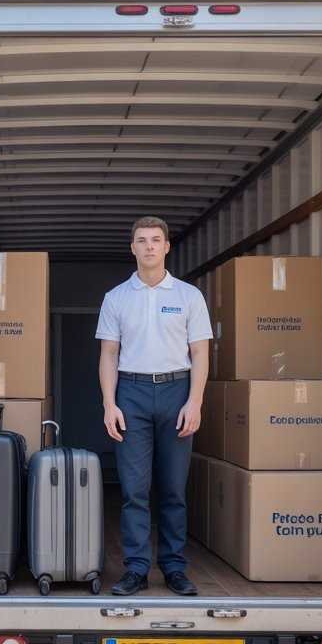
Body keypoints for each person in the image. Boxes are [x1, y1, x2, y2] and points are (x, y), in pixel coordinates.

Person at [96, 216, 212, 597]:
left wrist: (195, 401)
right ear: (132, 248)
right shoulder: (115, 298)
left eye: (156, 240)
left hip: (177, 391)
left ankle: (175, 568)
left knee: (174, 488)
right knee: (134, 490)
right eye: (142, 240)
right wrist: (109, 404)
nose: (149, 246)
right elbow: (109, 354)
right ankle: (136, 569)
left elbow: (200, 352)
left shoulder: (188, 296)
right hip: (131, 393)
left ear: (167, 247)